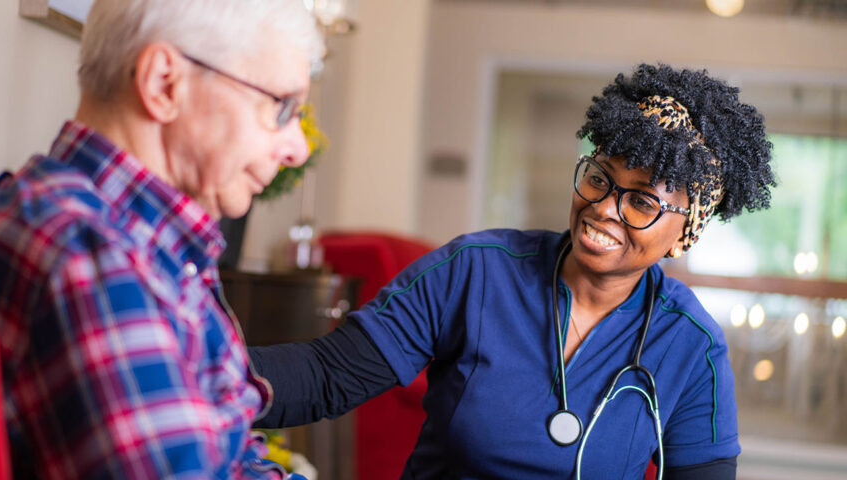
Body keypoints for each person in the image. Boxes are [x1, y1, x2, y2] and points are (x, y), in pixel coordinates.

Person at [250, 64, 775, 479]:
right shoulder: (475, 271)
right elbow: (327, 376)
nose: (604, 208)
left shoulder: (691, 344)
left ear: (685, 233)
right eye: (599, 178)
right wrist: (195, 367)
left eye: (641, 202)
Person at [0, 0, 323, 478]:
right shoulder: (91, 260)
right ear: (165, 83)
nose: (297, 150)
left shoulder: (141, 243)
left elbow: (233, 457)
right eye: (281, 107)